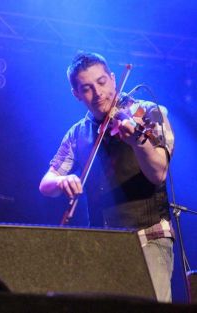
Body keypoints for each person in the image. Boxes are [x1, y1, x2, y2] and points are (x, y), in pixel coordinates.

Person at [39, 52, 175, 302]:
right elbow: (46, 183)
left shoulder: (148, 112)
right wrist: (61, 181)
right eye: (87, 88)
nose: (98, 93)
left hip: (149, 237)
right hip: (103, 243)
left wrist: (138, 141)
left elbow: (158, 172)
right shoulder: (77, 133)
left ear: (114, 79)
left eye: (102, 82)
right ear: (76, 94)